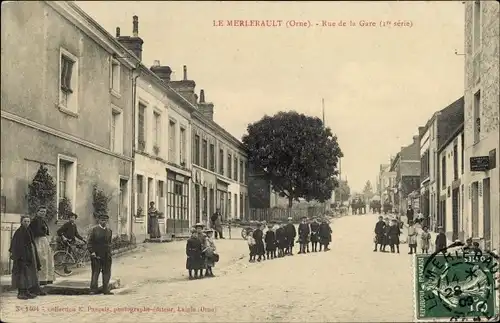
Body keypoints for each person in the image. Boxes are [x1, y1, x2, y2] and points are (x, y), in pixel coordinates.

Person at [9, 215, 44, 299]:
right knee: (22, 274)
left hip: (29, 255)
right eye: (25, 221)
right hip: (22, 256)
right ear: (21, 222)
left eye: (28, 221)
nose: (27, 223)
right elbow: (16, 245)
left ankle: (27, 291)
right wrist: (20, 256)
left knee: (29, 274)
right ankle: (21, 293)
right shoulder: (19, 232)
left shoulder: (29, 230)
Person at [29, 206, 55, 286]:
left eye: (44, 212)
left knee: (48, 259)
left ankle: (48, 278)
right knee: (41, 259)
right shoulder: (34, 221)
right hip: (38, 241)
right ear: (37, 212)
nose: (43, 213)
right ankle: (41, 279)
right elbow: (34, 232)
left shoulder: (43, 221)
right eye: (41, 211)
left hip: (44, 241)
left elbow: (46, 231)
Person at [87, 214, 113, 295]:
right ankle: (93, 289)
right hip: (97, 254)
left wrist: (109, 252)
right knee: (95, 272)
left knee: (106, 272)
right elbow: (89, 242)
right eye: (102, 220)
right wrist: (92, 252)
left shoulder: (109, 231)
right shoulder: (94, 230)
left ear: (107, 221)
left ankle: (106, 289)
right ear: (99, 220)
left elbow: (109, 243)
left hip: (106, 254)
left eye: (105, 220)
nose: (103, 222)